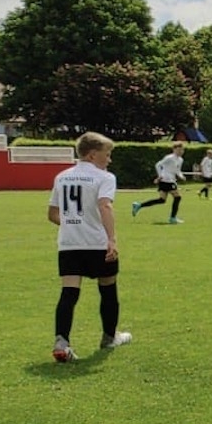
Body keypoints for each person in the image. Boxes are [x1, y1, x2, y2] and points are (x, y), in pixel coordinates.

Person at [48, 132, 132, 362]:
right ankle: (109, 337)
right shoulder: (105, 177)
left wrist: (74, 225)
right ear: (93, 155)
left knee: (69, 293)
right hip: (97, 243)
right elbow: (105, 206)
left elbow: (53, 214)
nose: (110, 160)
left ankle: (61, 342)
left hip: (69, 244)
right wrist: (111, 239)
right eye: (108, 154)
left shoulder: (62, 177)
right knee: (108, 287)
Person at [132, 141, 186, 223]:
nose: (181, 151)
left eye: (182, 150)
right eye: (179, 150)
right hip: (166, 180)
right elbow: (158, 164)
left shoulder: (180, 160)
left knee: (162, 200)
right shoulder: (169, 158)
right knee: (177, 197)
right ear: (174, 149)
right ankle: (172, 218)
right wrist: (160, 175)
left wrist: (181, 176)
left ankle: (139, 205)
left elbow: (177, 170)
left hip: (170, 180)